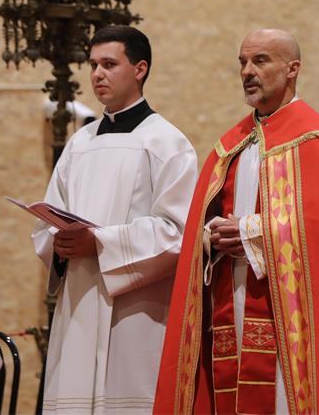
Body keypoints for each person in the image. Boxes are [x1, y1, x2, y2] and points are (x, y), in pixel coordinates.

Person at [153, 29, 319, 414]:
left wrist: (248, 232)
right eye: (243, 62)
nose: (247, 71)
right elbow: (202, 223)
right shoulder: (231, 147)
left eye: (260, 60)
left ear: (292, 69)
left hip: (293, 321)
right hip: (233, 303)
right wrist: (210, 237)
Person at [32, 25, 198, 414]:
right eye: (93, 65)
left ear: (140, 69)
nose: (97, 75)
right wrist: (58, 241)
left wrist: (100, 243)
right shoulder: (79, 143)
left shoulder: (167, 143)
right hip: (78, 304)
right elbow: (47, 222)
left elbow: (178, 234)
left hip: (134, 316)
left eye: (109, 64)